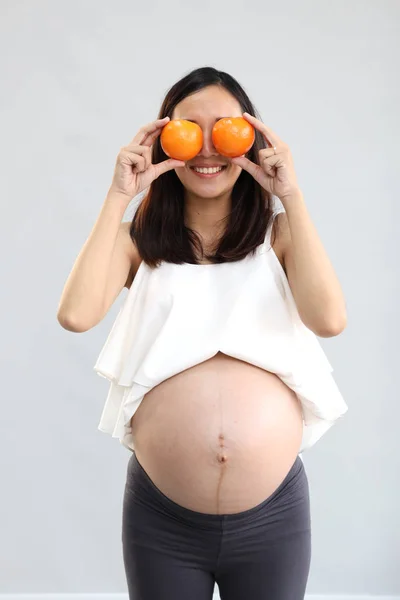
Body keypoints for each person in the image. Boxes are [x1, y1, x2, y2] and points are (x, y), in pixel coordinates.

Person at [57, 66, 348, 600]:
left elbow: (329, 319)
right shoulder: (138, 242)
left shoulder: (277, 235)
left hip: (272, 518)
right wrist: (118, 196)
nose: (208, 149)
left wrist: (293, 196)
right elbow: (75, 314)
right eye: (191, 130)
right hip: (162, 519)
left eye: (226, 131)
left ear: (252, 142)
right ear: (166, 138)